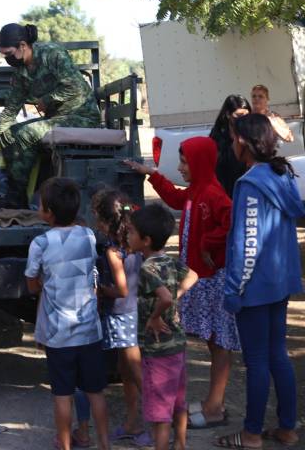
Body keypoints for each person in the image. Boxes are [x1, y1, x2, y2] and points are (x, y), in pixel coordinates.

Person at [125, 136, 239, 431]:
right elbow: (175, 198)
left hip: (213, 280)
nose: (181, 167)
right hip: (202, 278)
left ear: (200, 163)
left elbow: (231, 222)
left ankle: (215, 407)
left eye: (186, 162)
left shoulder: (213, 193)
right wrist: (152, 175)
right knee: (213, 343)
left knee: (219, 343)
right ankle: (215, 402)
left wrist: (207, 243)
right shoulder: (197, 190)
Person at [216, 113, 304, 449]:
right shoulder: (281, 175)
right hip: (279, 283)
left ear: (245, 142)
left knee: (257, 362)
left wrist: (234, 289)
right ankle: (286, 428)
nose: (232, 142)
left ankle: (251, 434)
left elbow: (247, 244)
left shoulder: (251, 183)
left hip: (254, 288)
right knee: (277, 355)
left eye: (234, 137)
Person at [25, 177, 110, 450]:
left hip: (59, 335)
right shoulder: (88, 235)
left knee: (62, 395)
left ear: (47, 211)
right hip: (89, 332)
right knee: (95, 392)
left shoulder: (40, 243)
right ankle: (105, 444)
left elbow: (31, 283)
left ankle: (64, 444)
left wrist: (45, 287)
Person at [0, 23, 101, 208]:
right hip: (56, 119)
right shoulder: (21, 73)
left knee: (27, 132)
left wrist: (47, 99)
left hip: (81, 116)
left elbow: (76, 87)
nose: (7, 58)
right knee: (8, 135)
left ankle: (17, 198)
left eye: (8, 53)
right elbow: (11, 111)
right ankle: (17, 196)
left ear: (22, 45)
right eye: (3, 55)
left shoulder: (52, 54)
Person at [127, 203, 198, 450]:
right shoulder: (168, 261)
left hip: (157, 351)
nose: (128, 236)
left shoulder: (148, 268)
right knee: (179, 403)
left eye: (131, 233)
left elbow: (165, 298)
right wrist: (176, 294)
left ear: (145, 240)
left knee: (160, 414)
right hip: (177, 345)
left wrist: (156, 315)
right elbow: (193, 276)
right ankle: (180, 445)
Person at [90, 189, 146, 442]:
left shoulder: (113, 252)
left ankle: (159, 422)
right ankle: (133, 422)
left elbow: (121, 289)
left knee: (135, 372)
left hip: (122, 315)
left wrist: (100, 289)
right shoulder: (134, 243)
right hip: (133, 312)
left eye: (96, 218)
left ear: (104, 222)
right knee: (126, 370)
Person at [209, 95, 250, 198]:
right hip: (226, 187)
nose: (243, 119)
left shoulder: (251, 131)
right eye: (239, 115)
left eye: (246, 115)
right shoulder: (218, 135)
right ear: (228, 114)